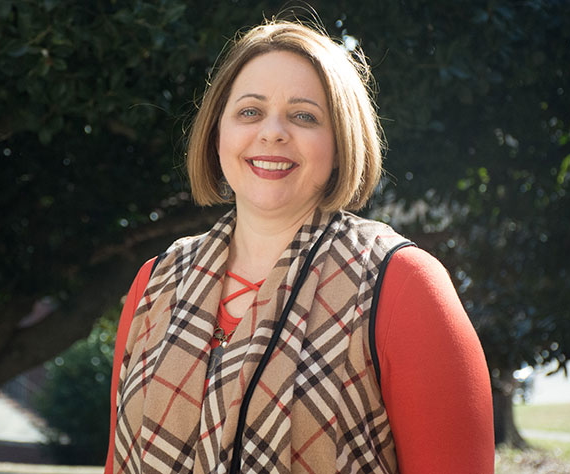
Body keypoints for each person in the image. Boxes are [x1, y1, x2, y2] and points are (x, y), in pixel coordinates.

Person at [105, 19, 494, 473]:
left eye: (304, 115)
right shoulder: (156, 284)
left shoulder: (402, 284)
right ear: (217, 133)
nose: (272, 132)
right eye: (249, 111)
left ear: (341, 141)